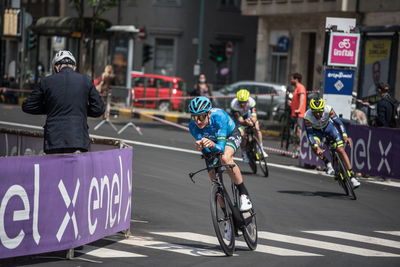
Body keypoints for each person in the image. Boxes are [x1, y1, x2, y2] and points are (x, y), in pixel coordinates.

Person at [22, 50, 105, 154]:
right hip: (78, 139)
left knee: (55, 169)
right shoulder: (86, 80)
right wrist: (80, 110)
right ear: (74, 67)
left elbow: (28, 105)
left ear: (56, 67)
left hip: (54, 139)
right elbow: (99, 109)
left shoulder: (46, 81)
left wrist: (51, 108)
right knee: (76, 170)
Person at [188, 96, 253, 212]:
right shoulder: (193, 126)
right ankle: (227, 219)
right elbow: (208, 152)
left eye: (201, 117)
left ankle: (244, 195)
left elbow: (221, 149)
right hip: (213, 143)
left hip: (229, 136)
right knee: (214, 180)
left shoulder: (219, 117)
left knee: (225, 158)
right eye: (194, 117)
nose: (198, 121)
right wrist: (202, 147)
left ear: (208, 113)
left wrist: (212, 145)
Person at [304, 98, 360, 188]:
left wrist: (345, 135)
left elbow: (339, 123)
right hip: (316, 132)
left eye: (320, 111)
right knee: (314, 145)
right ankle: (328, 164)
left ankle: (352, 177)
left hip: (329, 128)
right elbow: (310, 134)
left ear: (323, 109)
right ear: (311, 110)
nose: (318, 114)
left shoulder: (328, 109)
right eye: (315, 112)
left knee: (340, 150)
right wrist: (316, 147)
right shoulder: (307, 116)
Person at [230, 88, 267, 163]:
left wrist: (252, 122)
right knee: (242, 134)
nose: (242, 104)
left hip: (247, 115)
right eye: (240, 102)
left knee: (257, 128)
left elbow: (254, 116)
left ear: (247, 100)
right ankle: (244, 153)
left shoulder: (251, 101)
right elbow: (240, 121)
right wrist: (246, 123)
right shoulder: (234, 104)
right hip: (238, 118)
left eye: (244, 102)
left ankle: (261, 149)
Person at [290, 73, 307, 154]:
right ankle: (297, 148)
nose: (291, 80)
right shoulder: (296, 88)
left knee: (299, 131)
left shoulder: (300, 87)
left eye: (292, 79)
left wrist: (299, 109)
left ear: (296, 79)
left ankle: (300, 148)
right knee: (296, 131)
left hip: (299, 114)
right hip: (295, 113)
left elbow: (302, 98)